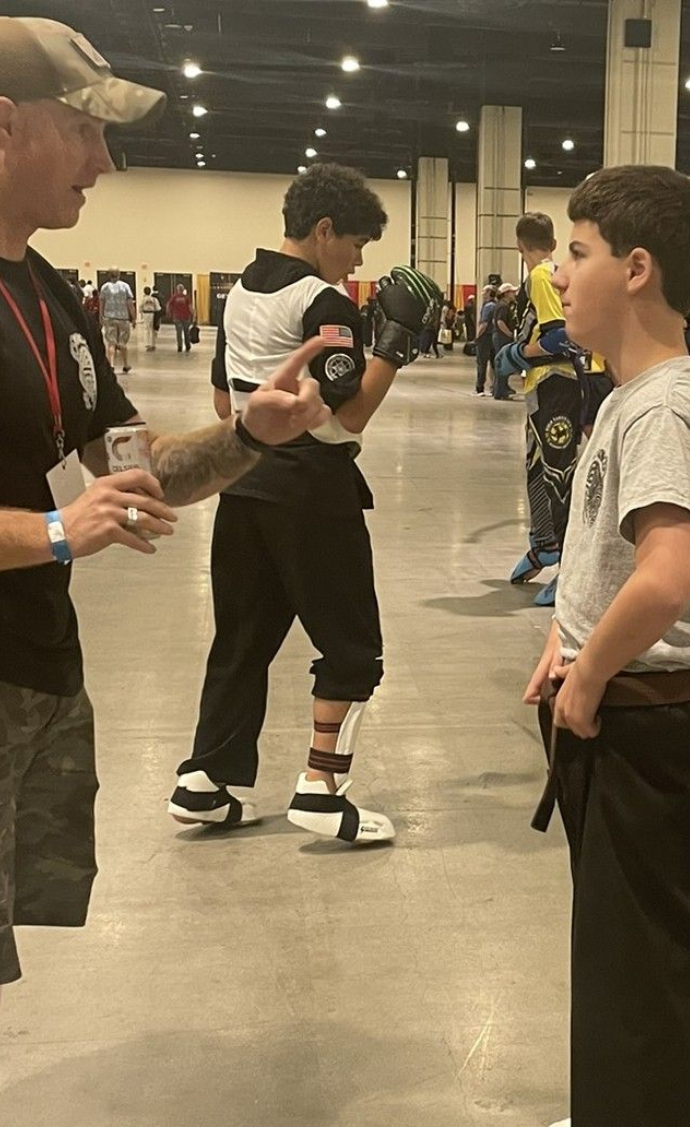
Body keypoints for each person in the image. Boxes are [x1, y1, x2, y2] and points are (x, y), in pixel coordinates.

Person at [0, 17, 332, 1127]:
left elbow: (131, 466)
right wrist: (49, 535)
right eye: (84, 132)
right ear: (1, 123)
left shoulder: (45, 292)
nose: (101, 165)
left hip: (22, 665)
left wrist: (254, 436)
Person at [523, 162, 690, 1127]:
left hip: (649, 721)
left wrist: (592, 675)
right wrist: (565, 637)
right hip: (626, 704)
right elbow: (611, 565)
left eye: (575, 251)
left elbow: (664, 576)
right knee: (627, 965)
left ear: (636, 267)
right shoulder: (634, 396)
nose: (558, 272)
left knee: (633, 981)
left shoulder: (660, 408)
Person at [169, 163, 441, 841]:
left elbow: (224, 403)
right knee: (352, 646)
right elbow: (340, 422)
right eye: (354, 245)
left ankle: (204, 780)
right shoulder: (323, 303)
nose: (355, 263)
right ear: (324, 231)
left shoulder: (238, 292)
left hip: (243, 482)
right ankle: (322, 788)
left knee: (242, 637)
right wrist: (393, 346)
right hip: (311, 490)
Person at [505, 213, 587, 608]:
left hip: (556, 384)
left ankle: (570, 566)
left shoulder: (540, 275)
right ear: (553, 242)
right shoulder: (547, 274)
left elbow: (561, 336)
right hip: (544, 386)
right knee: (540, 468)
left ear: (519, 244)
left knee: (558, 472)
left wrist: (519, 353)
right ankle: (544, 542)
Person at [98, 268, 135, 373]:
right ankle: (126, 364)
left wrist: (101, 316)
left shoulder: (105, 287)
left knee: (111, 342)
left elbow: (102, 303)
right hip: (123, 318)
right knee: (123, 342)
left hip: (109, 317)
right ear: (119, 274)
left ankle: (111, 364)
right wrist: (134, 317)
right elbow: (130, 303)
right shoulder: (125, 286)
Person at [490, 282, 519, 399]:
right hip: (502, 338)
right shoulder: (503, 306)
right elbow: (499, 322)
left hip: (499, 336)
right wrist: (509, 334)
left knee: (501, 363)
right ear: (506, 293)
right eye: (512, 292)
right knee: (503, 364)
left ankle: (500, 389)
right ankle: (500, 392)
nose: (514, 294)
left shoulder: (500, 305)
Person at [474, 283, 497, 394]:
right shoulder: (495, 305)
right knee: (494, 363)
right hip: (494, 337)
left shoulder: (488, 307)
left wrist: (477, 337)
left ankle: (479, 386)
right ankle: (495, 387)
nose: (482, 294)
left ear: (489, 293)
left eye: (484, 291)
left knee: (481, 363)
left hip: (485, 338)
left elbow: (484, 324)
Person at [166, 281, 193, 352]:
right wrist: (193, 314)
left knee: (179, 332)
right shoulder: (186, 297)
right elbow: (190, 307)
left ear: (177, 290)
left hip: (177, 317)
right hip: (186, 317)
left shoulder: (174, 297)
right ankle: (187, 346)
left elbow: (168, 304)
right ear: (183, 289)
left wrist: (168, 312)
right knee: (186, 332)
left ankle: (180, 346)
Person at [140, 285, 159, 350]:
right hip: (152, 314)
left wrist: (141, 314)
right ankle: (152, 343)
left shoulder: (143, 299)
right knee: (152, 329)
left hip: (145, 314)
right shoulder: (154, 299)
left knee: (146, 328)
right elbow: (158, 308)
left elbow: (140, 307)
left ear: (144, 292)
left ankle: (147, 343)